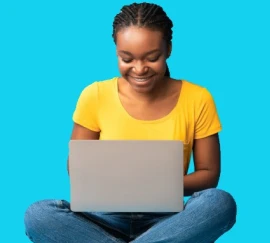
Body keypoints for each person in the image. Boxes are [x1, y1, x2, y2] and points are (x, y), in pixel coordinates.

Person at [24, 2, 237, 243]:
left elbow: (208, 176)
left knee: (220, 203)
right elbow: (77, 169)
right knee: (38, 215)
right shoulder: (94, 95)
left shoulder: (198, 98)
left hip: (168, 221)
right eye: (127, 59)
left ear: (168, 49)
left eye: (152, 58)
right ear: (116, 52)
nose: (139, 69)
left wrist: (148, 186)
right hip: (102, 218)